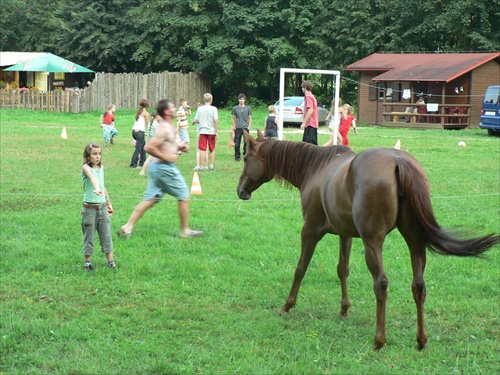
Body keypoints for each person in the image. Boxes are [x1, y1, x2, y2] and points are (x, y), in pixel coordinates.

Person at [117, 99, 203, 239]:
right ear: (167, 111)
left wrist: (179, 147)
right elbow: (149, 147)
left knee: (151, 198)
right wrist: (167, 157)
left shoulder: (168, 127)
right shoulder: (164, 128)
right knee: (184, 197)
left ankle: (127, 227)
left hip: (157, 168)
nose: (175, 109)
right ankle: (184, 231)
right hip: (164, 168)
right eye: (172, 107)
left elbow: (166, 144)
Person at [81, 142, 116, 272]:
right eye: (94, 154)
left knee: (106, 234)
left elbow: (102, 185)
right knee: (89, 235)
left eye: (99, 154)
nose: (97, 157)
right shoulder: (86, 168)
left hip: (102, 208)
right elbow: (93, 179)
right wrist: (96, 189)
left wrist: (109, 203)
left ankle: (110, 261)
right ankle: (88, 262)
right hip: (89, 209)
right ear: (87, 155)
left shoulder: (101, 169)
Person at [193, 93, 219, 171]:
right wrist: (216, 131)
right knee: (212, 149)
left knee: (202, 149)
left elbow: (197, 120)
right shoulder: (214, 109)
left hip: (202, 131)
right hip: (211, 131)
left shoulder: (200, 109)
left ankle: (201, 166)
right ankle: (211, 166)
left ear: (204, 100)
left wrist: (197, 121)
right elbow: (215, 120)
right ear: (211, 100)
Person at [130, 99, 150, 168]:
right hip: (140, 132)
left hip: (134, 131)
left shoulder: (139, 112)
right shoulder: (146, 113)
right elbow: (148, 124)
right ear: (147, 106)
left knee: (143, 146)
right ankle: (133, 164)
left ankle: (143, 162)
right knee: (139, 148)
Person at [231, 93, 252, 161]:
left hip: (245, 127)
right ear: (238, 100)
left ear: (244, 100)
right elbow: (233, 118)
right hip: (238, 127)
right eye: (240, 99)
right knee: (237, 143)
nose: (241, 100)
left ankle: (245, 154)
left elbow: (250, 118)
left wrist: (249, 126)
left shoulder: (248, 108)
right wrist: (234, 126)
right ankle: (237, 156)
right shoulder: (235, 108)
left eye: (242, 99)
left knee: (246, 142)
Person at [139, 110, 160, 176]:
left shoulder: (150, 124)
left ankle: (155, 172)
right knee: (150, 158)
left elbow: (149, 135)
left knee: (155, 158)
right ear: (157, 116)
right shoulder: (156, 124)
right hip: (154, 143)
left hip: (150, 143)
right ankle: (142, 171)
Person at [300, 81, 319, 145]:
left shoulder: (308, 96)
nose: (302, 89)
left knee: (309, 145)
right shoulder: (311, 96)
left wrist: (304, 122)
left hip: (310, 124)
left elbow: (310, 110)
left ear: (305, 88)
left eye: (302, 88)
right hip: (311, 124)